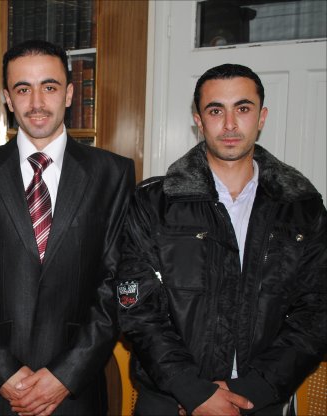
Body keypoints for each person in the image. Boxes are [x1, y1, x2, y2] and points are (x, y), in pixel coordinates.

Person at [117, 63, 327, 415]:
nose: (229, 124)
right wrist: (192, 390)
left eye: (242, 108)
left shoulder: (302, 206)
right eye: (216, 111)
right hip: (171, 400)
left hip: (261, 401)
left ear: (261, 117)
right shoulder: (153, 203)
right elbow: (137, 310)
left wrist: (252, 390)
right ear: (198, 121)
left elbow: (316, 312)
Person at [0, 39, 135, 415]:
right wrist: (5, 374)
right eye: (22, 89)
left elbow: (116, 285)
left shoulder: (112, 174)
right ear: (7, 99)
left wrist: (65, 375)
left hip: (76, 394)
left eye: (49, 87)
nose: (36, 102)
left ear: (69, 94)